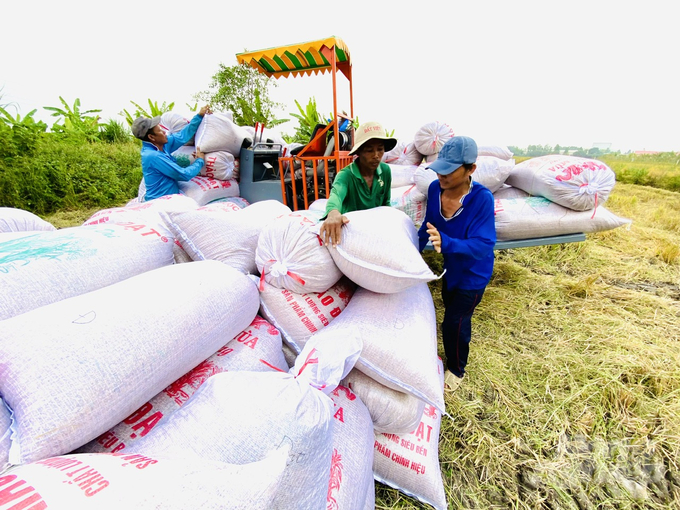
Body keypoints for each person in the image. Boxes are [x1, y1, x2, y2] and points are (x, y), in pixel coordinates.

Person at [418, 136, 496, 393]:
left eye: (450, 170)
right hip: (451, 270)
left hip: (473, 274)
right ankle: (453, 353)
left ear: (470, 169)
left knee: (455, 321)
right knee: (449, 308)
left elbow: (484, 244)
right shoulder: (434, 189)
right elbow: (427, 225)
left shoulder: (481, 199)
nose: (442, 175)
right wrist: (414, 254)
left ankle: (457, 368)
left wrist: (448, 243)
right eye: (440, 167)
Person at [319, 121, 397, 246]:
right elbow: (336, 195)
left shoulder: (385, 172)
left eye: (380, 149)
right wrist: (333, 213)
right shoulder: (346, 175)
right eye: (369, 150)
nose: (376, 156)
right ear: (359, 152)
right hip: (352, 231)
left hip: (374, 229)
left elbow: (386, 204)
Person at [132, 105, 212, 201]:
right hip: (159, 202)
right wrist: (199, 161)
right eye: (160, 131)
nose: (165, 132)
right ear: (152, 137)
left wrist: (199, 116)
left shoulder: (162, 145)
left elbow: (182, 136)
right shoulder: (153, 156)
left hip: (169, 197)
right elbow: (183, 175)